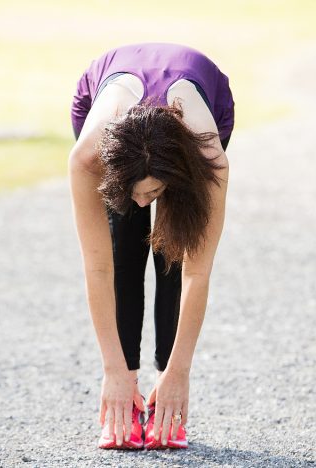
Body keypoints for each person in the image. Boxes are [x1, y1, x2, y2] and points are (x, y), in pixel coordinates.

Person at [68, 42, 234, 450]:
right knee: (122, 252)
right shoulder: (88, 158)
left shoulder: (208, 157)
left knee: (174, 256)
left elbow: (199, 272)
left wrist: (179, 372)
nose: (146, 202)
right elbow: (98, 268)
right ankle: (127, 392)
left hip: (195, 122)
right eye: (137, 194)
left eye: (154, 192)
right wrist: (113, 371)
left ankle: (164, 397)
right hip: (106, 105)